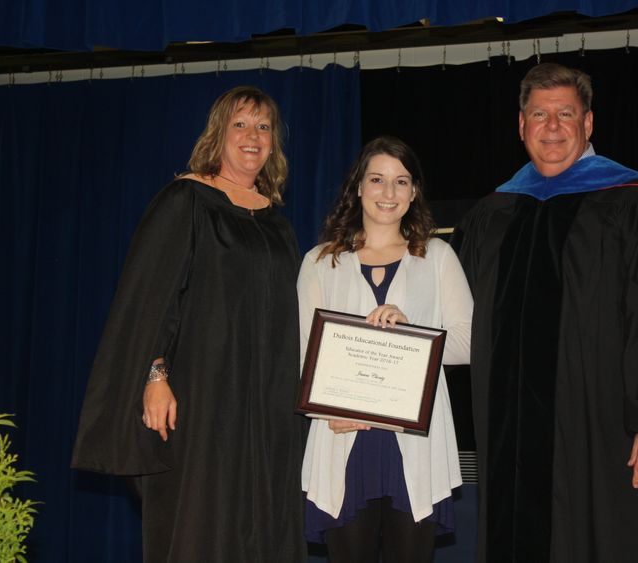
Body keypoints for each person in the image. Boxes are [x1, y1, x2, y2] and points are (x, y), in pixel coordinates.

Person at [451, 63, 638, 563]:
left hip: (608, 435)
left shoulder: (634, 205)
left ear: (589, 124)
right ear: (521, 126)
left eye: (565, 114)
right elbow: (454, 321)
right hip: (510, 444)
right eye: (540, 114)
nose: (552, 127)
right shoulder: (492, 215)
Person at [71, 86, 306, 562]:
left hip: (266, 410)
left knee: (263, 523)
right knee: (198, 522)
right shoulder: (186, 198)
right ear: (218, 134)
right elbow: (148, 299)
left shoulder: (277, 222)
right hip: (201, 402)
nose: (253, 137)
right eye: (240, 124)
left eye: (263, 127)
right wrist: (155, 375)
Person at [298, 136, 472, 563]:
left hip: (414, 444)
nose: (388, 193)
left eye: (401, 181)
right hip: (344, 441)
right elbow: (304, 358)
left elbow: (469, 344)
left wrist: (414, 333)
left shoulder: (438, 257)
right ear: (358, 187)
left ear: (414, 192)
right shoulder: (321, 262)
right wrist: (327, 412)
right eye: (377, 180)